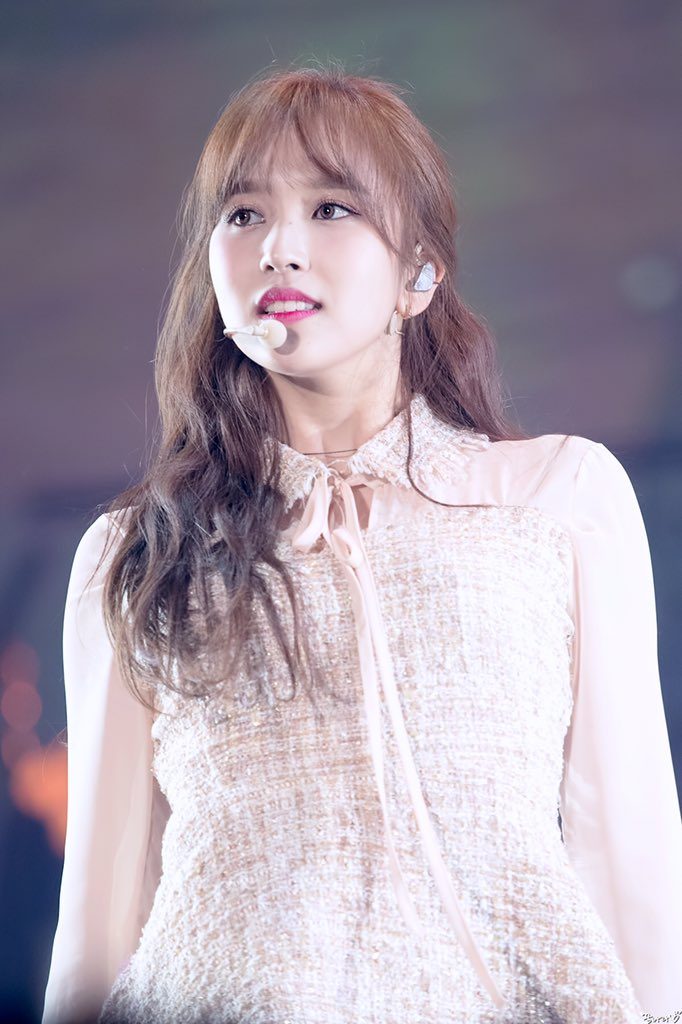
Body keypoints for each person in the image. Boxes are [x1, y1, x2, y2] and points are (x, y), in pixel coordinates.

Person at [41, 62, 682, 1024]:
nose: (279, 249)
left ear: (419, 273)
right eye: (244, 215)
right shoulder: (136, 553)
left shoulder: (555, 501)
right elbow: (100, 913)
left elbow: (627, 846)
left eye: (332, 208)